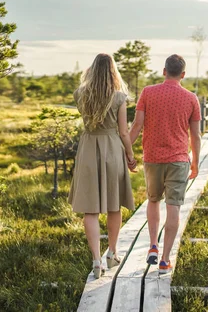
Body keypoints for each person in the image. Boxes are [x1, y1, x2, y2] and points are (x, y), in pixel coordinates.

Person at [130, 54, 201, 274]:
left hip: (152, 158)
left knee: (153, 200)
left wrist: (127, 152)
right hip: (179, 160)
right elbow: (196, 136)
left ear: (163, 71)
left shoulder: (147, 93)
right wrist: (196, 162)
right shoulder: (191, 98)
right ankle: (165, 259)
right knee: (173, 207)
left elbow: (136, 125)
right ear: (183, 74)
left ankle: (153, 245)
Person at [68, 53, 137, 279]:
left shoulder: (80, 94)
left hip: (88, 149)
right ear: (112, 71)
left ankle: (97, 261)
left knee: (91, 209)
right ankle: (113, 253)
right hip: (112, 149)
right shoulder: (119, 97)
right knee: (113, 205)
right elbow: (124, 132)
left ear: (91, 69)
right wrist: (130, 155)